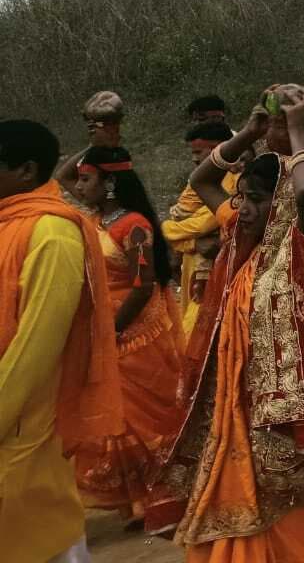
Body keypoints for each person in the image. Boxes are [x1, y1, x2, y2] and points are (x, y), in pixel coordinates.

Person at [155, 86, 304, 559]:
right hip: (238, 394)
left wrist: (298, 130)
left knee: (299, 494)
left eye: (257, 199)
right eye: (242, 197)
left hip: (299, 394)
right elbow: (204, 180)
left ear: (281, 200)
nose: (243, 207)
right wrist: (247, 133)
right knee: (241, 483)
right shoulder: (240, 238)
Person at [0, 120, 124, 563]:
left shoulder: (53, 234)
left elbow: (37, 347)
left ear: (26, 170)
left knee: (43, 539)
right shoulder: (7, 224)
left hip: (27, 422)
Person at [51, 144, 187, 529]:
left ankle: (164, 495)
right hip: (105, 328)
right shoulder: (95, 218)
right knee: (118, 419)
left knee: (144, 418)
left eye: (87, 178)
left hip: (134, 330)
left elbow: (143, 285)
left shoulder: (135, 226)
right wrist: (94, 141)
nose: (79, 185)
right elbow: (61, 175)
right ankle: (140, 504)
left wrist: (114, 328)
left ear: (109, 182)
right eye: (82, 178)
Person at [162, 120, 239, 332]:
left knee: (198, 330)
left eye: (199, 152)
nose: (194, 158)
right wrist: (191, 242)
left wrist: (165, 230)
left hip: (215, 266)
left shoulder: (236, 181)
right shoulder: (199, 179)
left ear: (217, 149)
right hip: (191, 262)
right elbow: (185, 216)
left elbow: (203, 223)